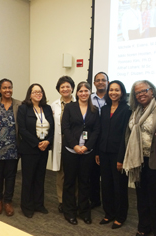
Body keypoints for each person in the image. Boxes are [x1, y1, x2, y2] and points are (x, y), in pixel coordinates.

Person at [123, 80, 156, 236]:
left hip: (155, 162)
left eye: (144, 91)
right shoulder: (135, 111)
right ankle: (144, 227)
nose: (141, 94)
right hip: (138, 162)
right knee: (141, 198)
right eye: (137, 92)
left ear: (152, 91)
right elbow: (129, 134)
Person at [61, 81, 100, 225]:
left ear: (90, 92)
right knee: (70, 182)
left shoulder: (94, 109)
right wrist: (75, 145)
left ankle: (84, 211)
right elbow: (65, 128)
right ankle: (69, 211)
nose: (83, 93)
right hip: (71, 151)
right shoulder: (70, 107)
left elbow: (96, 130)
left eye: (86, 91)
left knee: (85, 182)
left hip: (87, 152)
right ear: (76, 93)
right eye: (81, 91)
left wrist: (87, 146)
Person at [96, 80, 131, 230]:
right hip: (103, 152)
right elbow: (100, 131)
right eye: (111, 90)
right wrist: (97, 151)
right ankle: (108, 213)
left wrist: (121, 158)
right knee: (106, 184)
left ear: (122, 92)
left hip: (118, 154)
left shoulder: (127, 110)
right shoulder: (104, 109)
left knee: (120, 187)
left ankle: (120, 216)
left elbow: (126, 136)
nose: (113, 93)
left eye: (117, 90)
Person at [17, 83, 54, 218]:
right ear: (30, 94)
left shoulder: (47, 108)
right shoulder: (23, 108)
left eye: (40, 92)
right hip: (30, 149)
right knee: (28, 178)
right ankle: (27, 206)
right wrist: (37, 143)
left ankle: (39, 204)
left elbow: (53, 127)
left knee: (40, 177)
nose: (38, 94)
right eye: (35, 92)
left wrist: (48, 141)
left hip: (44, 149)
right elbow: (22, 130)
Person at [0, 78, 22, 216]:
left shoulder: (19, 104)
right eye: (4, 88)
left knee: (11, 176)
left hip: (13, 147)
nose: (8, 90)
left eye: (10, 87)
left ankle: (8, 201)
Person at [50, 76, 76, 213]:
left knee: (74, 174)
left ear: (72, 88)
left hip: (75, 144)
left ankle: (74, 199)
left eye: (67, 86)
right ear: (58, 89)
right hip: (59, 144)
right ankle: (61, 200)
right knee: (61, 174)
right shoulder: (53, 105)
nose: (65, 89)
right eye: (62, 87)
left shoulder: (79, 103)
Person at [90, 72, 109, 209]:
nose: (101, 82)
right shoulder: (88, 98)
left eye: (104, 80)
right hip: (92, 138)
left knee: (108, 174)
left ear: (107, 82)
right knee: (93, 173)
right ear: (94, 83)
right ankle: (95, 200)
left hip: (109, 138)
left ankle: (109, 202)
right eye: (98, 80)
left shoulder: (113, 97)